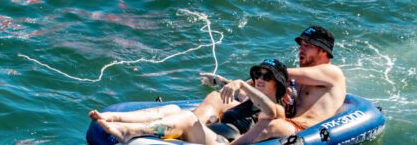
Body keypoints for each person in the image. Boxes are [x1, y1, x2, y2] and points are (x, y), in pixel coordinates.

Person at [90, 58, 290, 144]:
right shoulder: (249, 99)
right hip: (210, 133)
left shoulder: (276, 109)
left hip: (223, 143)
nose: (260, 79)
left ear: (278, 84)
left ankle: (128, 132)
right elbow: (238, 93)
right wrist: (220, 81)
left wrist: (243, 84)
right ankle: (117, 117)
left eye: (267, 77)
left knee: (186, 118)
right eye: (258, 74)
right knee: (172, 107)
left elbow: (269, 110)